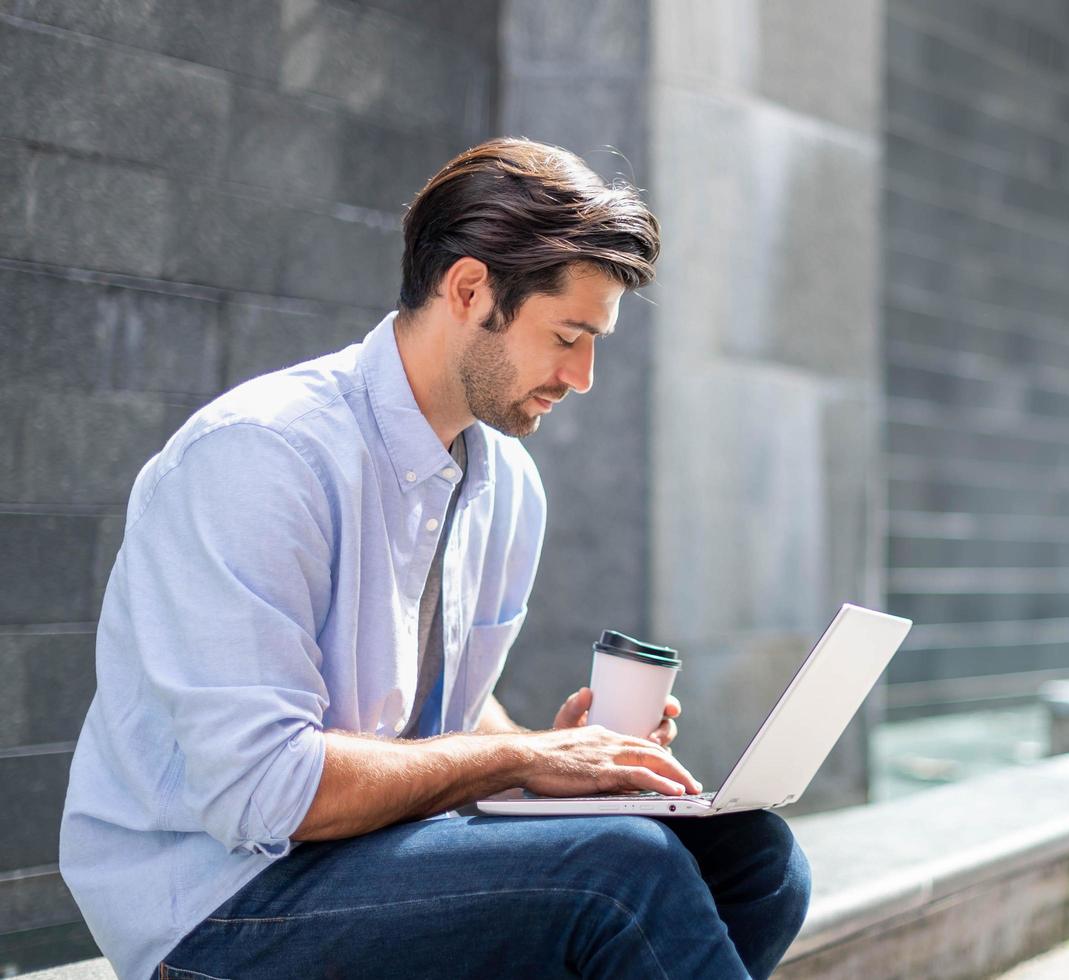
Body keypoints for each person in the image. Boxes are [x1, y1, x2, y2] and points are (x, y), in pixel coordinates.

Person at [58, 137, 812, 980]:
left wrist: (557, 763)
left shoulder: (505, 483)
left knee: (755, 860)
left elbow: (437, 714)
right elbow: (266, 791)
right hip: (218, 906)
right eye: (568, 334)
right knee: (618, 876)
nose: (584, 374)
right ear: (468, 289)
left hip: (380, 856)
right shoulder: (263, 457)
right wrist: (520, 759)